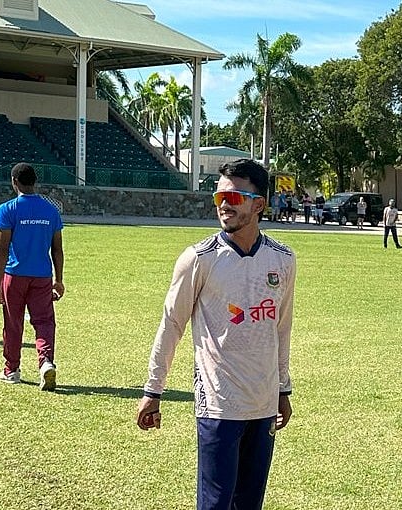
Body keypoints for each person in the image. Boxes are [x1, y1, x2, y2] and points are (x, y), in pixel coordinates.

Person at [136, 159, 296, 510]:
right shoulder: (198, 259)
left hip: (264, 402)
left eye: (234, 196)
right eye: (219, 195)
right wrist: (153, 389)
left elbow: (281, 329)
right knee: (215, 504)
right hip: (219, 404)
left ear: (259, 204)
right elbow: (171, 325)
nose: (224, 204)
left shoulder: (283, 259)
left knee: (249, 504)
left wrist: (282, 390)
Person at [0, 162, 65, 391]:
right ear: (35, 182)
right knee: (44, 321)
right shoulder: (51, 211)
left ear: (14, 182)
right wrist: (59, 279)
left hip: (14, 275)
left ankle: (11, 370)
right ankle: (45, 362)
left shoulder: (8, 209)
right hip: (42, 276)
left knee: (13, 323)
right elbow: (57, 249)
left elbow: (2, 248)